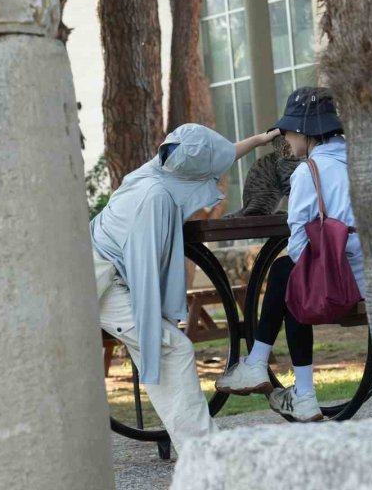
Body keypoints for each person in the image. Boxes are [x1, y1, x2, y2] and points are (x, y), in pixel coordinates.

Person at [90, 123, 280, 450]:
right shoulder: (154, 198)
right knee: (172, 348)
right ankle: (202, 451)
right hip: (102, 283)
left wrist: (260, 140)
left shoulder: (159, 165)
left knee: (170, 347)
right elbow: (144, 273)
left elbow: (218, 154)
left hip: (106, 272)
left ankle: (200, 447)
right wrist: (159, 322)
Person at [215, 87, 365, 422]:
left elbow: (298, 245)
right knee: (290, 274)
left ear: (302, 131)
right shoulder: (360, 159)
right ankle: (292, 389)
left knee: (290, 272)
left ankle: (263, 368)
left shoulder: (308, 171)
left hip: (343, 285)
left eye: (286, 131)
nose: (285, 138)